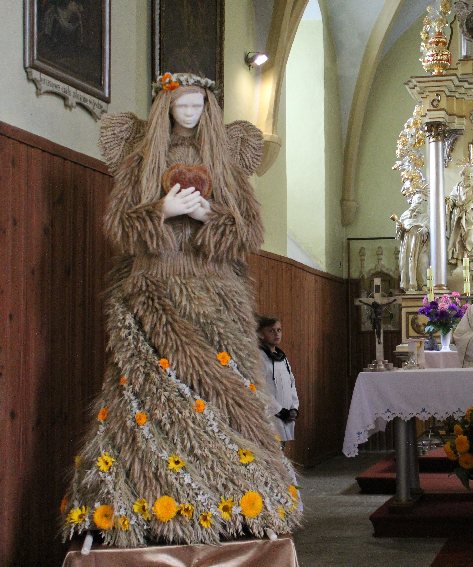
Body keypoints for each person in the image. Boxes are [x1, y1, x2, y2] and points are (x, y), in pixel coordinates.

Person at [60, 73, 301, 547]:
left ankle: (239, 499)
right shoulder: (142, 158)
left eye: (196, 106)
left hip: (215, 294)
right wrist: (163, 212)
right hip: (155, 289)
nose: (188, 114)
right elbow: (121, 225)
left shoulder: (225, 160)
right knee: (150, 394)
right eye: (180, 106)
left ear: (208, 108)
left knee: (226, 395)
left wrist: (208, 216)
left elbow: (249, 230)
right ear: (166, 108)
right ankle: (143, 503)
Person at [257, 316, 300, 448]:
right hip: (272, 415)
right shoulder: (259, 357)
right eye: (271, 331)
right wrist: (279, 411)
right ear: (261, 334)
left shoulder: (282, 357)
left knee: (282, 448)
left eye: (279, 330)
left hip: (286, 414)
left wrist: (294, 408)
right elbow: (261, 388)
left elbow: (291, 383)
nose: (276, 334)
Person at [392, 191, 429, 291]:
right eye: (419, 199)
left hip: (421, 245)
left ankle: (423, 284)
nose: (421, 202)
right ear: (413, 200)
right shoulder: (405, 215)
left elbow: (429, 228)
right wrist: (399, 227)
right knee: (408, 263)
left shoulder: (425, 216)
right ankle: (410, 285)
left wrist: (425, 229)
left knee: (423, 262)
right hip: (408, 243)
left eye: (422, 200)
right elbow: (399, 233)